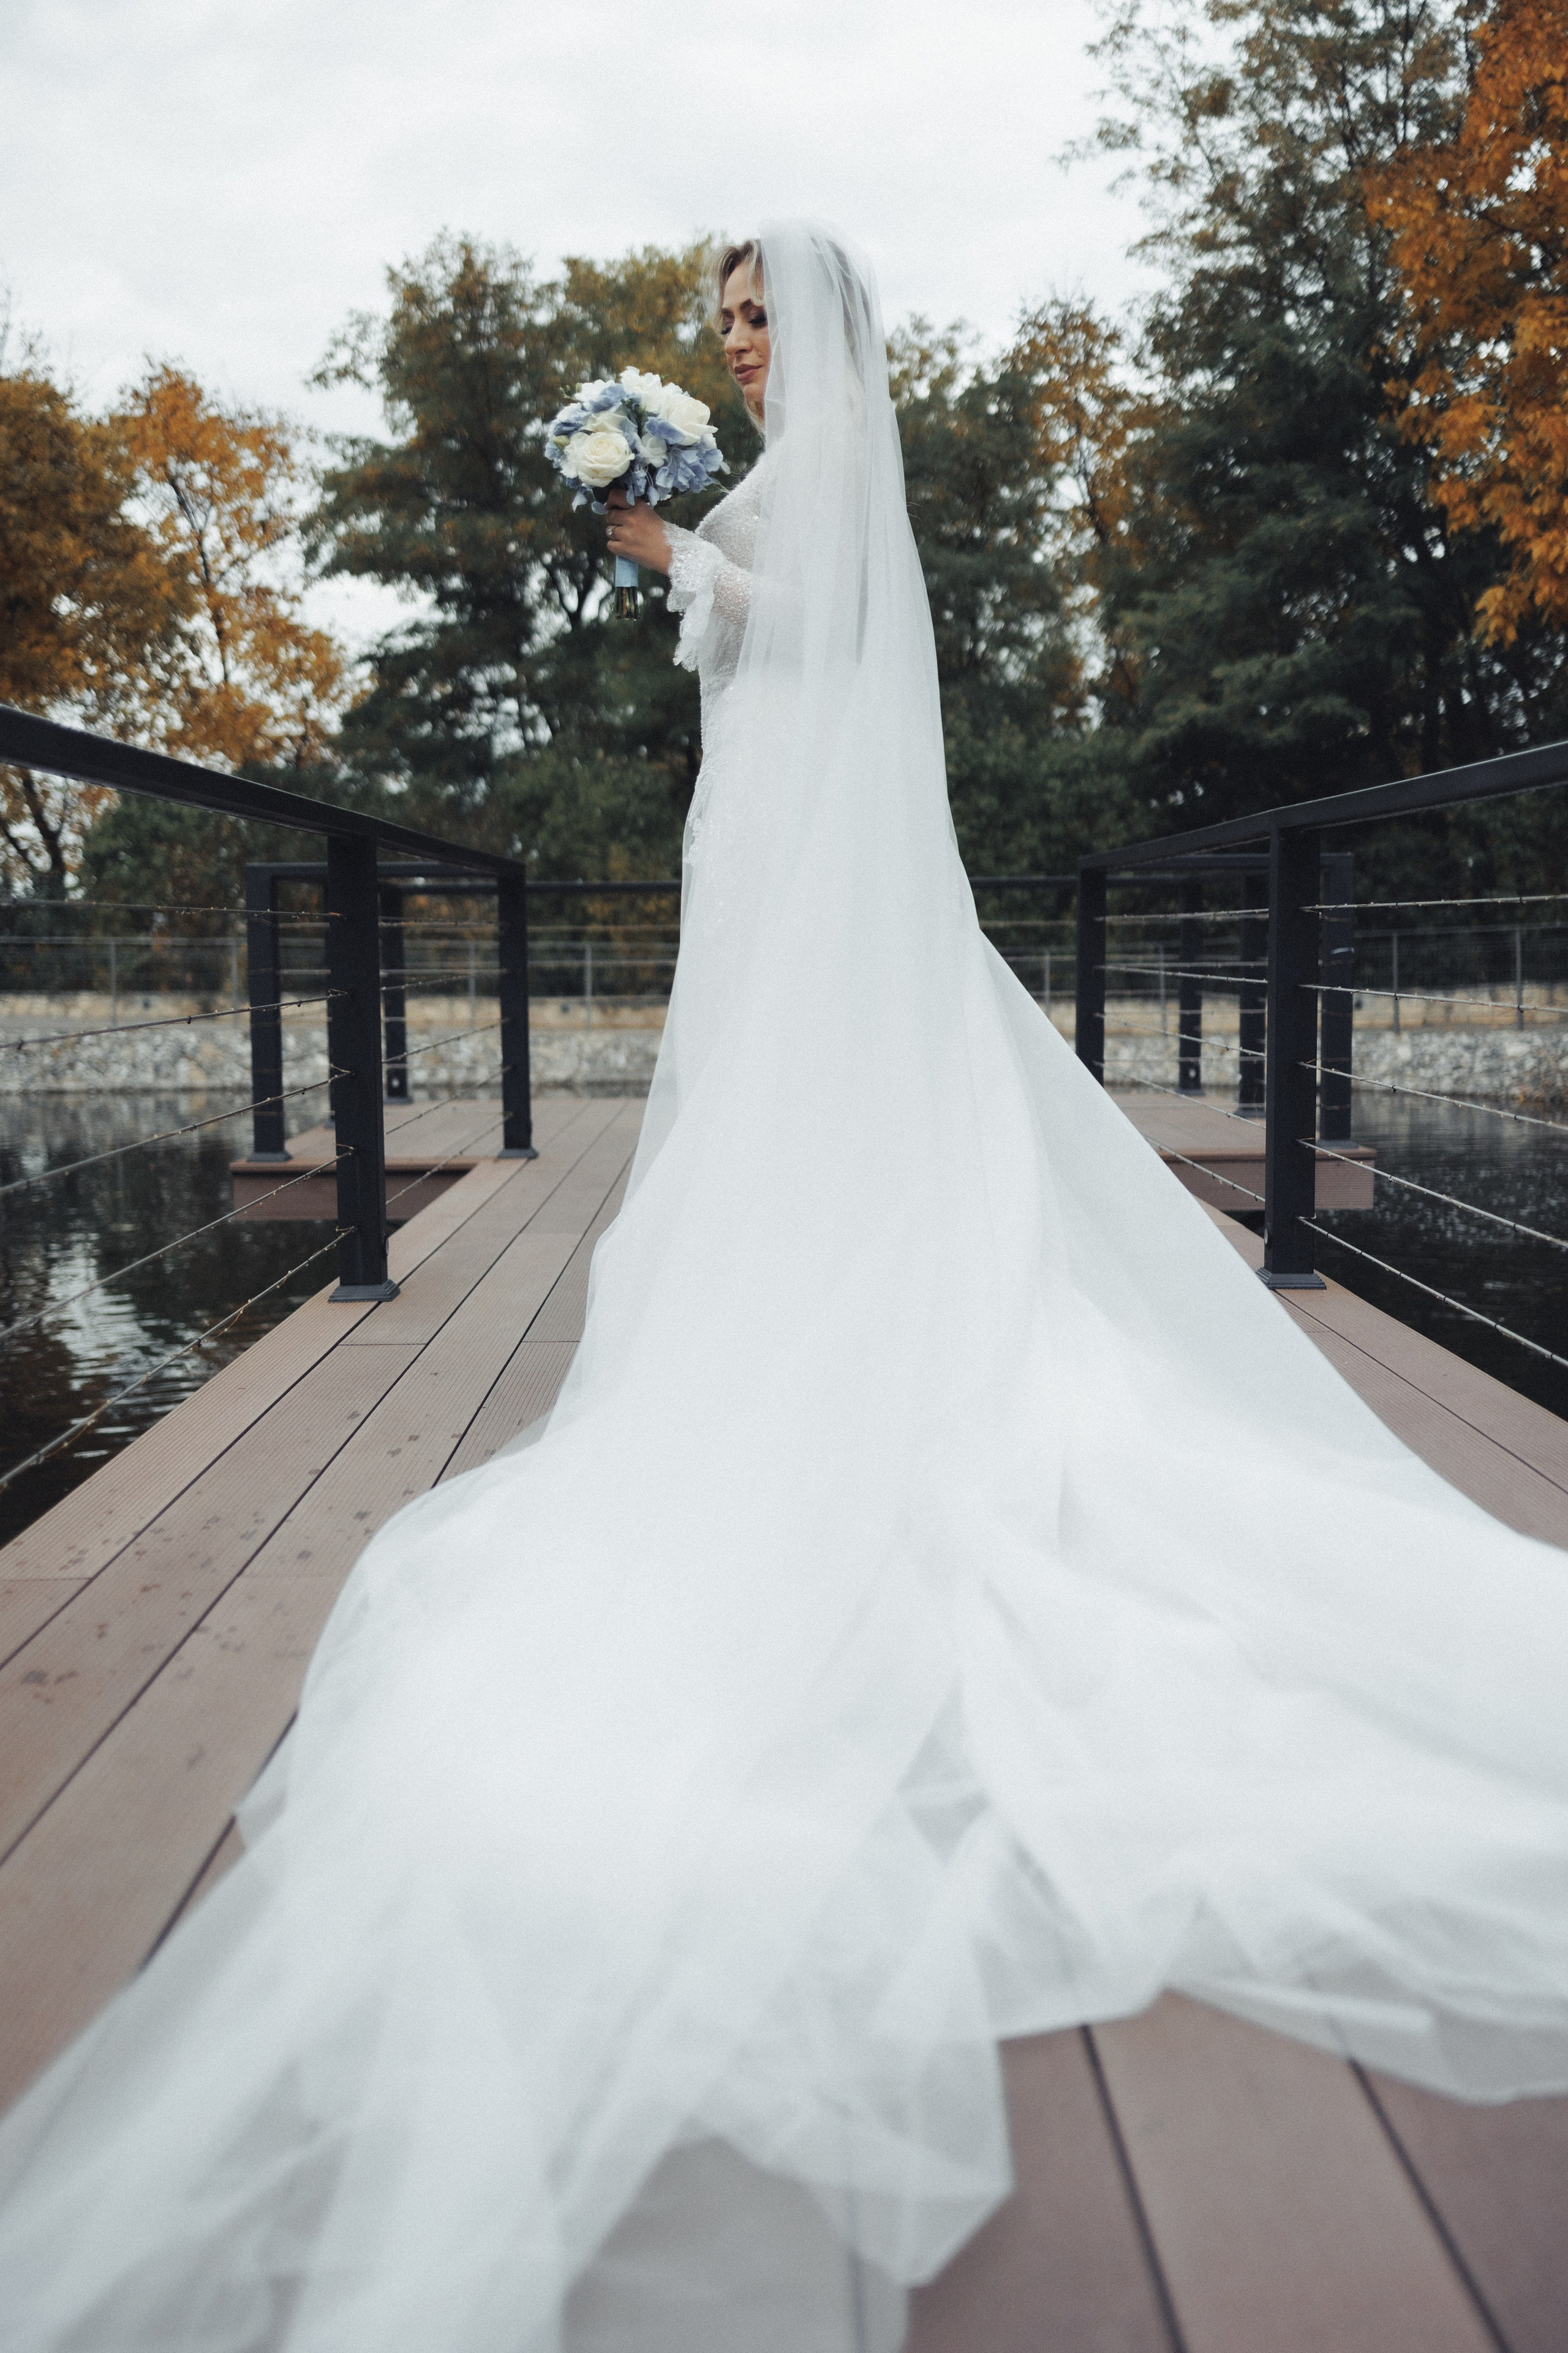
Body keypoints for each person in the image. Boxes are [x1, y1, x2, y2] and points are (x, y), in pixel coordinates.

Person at [2, 218, 1568, 2353]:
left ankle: (876, 1367)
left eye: (761, 317)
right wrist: (684, 549)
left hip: (826, 879)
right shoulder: (786, 467)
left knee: (853, 1151)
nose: (740, 344)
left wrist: (674, 557)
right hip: (768, 868)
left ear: (819, 328)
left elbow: (813, 638)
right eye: (723, 320)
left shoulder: (824, 475)